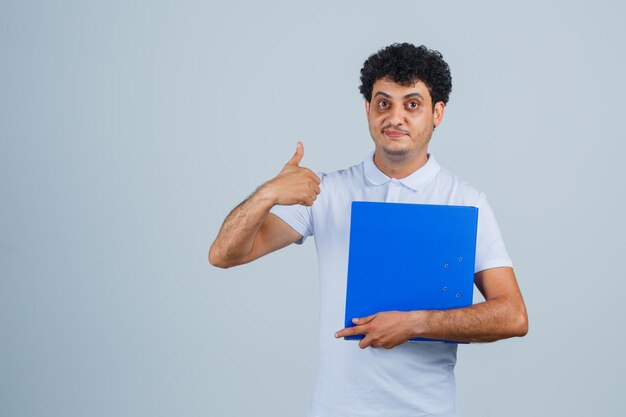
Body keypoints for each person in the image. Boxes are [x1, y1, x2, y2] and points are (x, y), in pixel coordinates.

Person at [209, 43, 528, 417]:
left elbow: (513, 316)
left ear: (437, 112)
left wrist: (416, 323)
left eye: (412, 104)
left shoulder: (465, 201)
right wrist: (268, 194)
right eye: (383, 103)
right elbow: (224, 255)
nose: (395, 117)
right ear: (367, 110)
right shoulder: (327, 193)